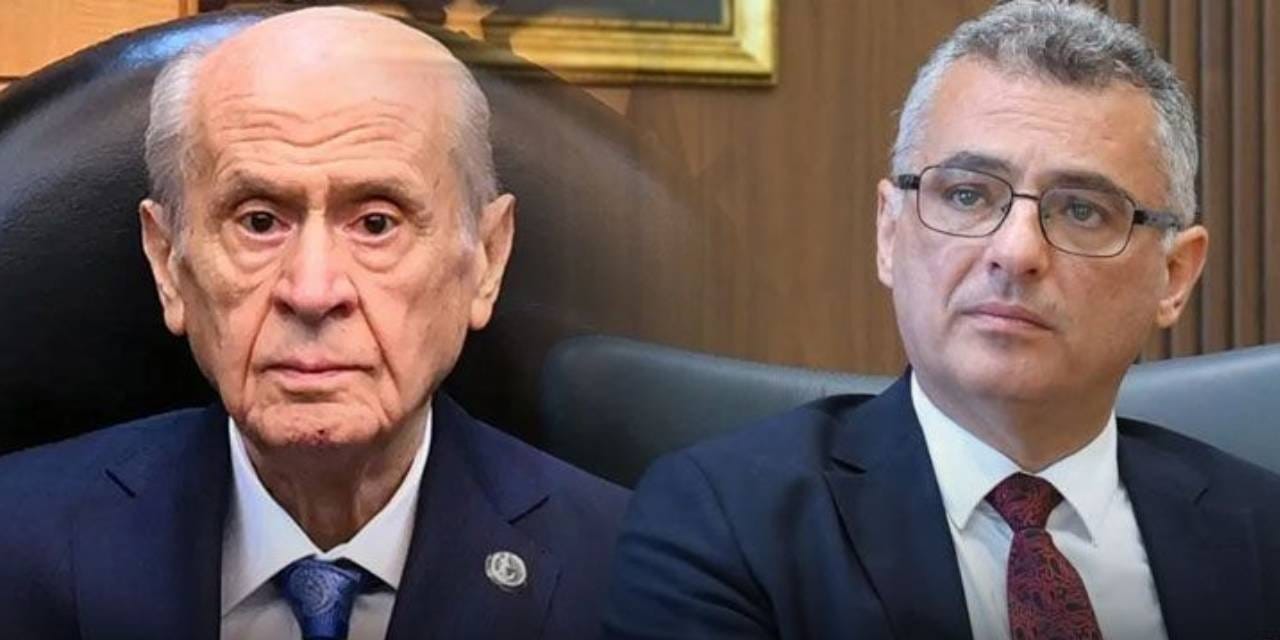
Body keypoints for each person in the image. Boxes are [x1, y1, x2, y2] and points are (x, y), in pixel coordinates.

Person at [603, 2, 1280, 639]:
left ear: (1174, 275)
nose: (1016, 252)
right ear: (889, 232)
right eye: (966, 195)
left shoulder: (1264, 535)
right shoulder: (726, 524)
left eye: (1081, 210)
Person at [0, 7, 627, 639]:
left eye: (377, 223)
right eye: (259, 221)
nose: (312, 291)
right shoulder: (12, 541)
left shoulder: (629, 573)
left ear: (486, 259)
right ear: (169, 264)